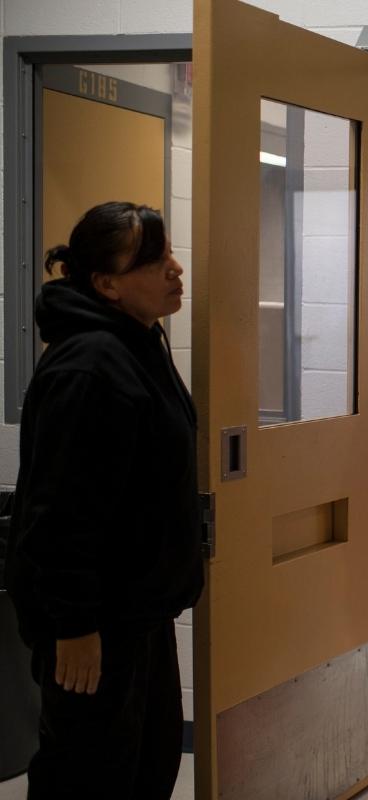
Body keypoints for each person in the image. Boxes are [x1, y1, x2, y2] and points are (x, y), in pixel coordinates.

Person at [4, 201, 203, 799]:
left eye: (168, 253)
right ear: (107, 284)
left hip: (138, 612)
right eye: (152, 259)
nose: (174, 269)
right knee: (88, 777)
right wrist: (75, 627)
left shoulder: (139, 342)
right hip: (94, 624)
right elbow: (60, 514)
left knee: (148, 767)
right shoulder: (90, 365)